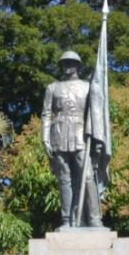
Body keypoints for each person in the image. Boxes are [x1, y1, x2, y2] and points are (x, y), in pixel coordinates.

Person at [42, 50, 91, 229]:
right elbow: (46, 114)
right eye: (64, 63)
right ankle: (66, 220)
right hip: (59, 133)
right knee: (65, 178)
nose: (67, 66)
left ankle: (93, 218)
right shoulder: (52, 88)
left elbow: (95, 113)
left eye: (71, 63)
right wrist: (45, 139)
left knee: (87, 176)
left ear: (78, 65)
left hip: (80, 134)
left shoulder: (88, 86)